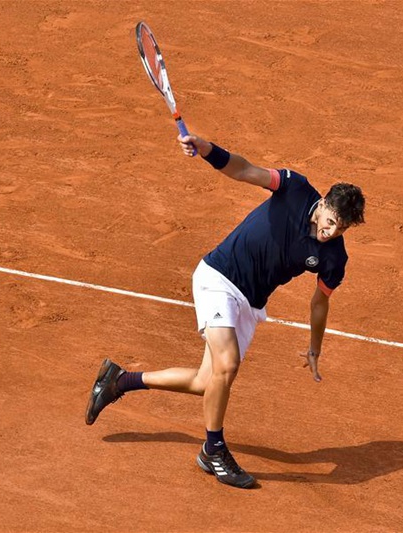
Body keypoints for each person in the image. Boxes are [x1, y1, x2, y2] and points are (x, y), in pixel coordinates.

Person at [85, 133, 365, 489]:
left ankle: (119, 380)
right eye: (331, 221)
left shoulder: (334, 258)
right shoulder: (295, 188)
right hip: (219, 276)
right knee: (228, 364)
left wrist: (315, 348)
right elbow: (245, 170)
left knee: (208, 382)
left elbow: (319, 302)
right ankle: (213, 450)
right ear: (323, 202)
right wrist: (205, 150)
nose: (331, 231)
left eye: (341, 228)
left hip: (250, 304)